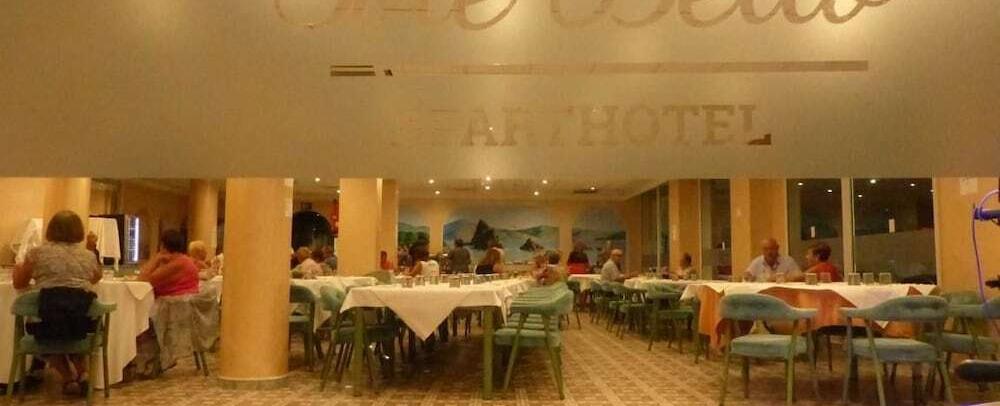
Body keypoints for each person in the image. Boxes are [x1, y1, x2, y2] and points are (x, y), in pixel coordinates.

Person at [12, 210, 102, 397]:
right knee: (71, 322)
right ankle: (83, 373)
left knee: (51, 325)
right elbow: (95, 278)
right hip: (82, 323)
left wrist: (18, 267)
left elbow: (19, 283)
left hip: (47, 322)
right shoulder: (88, 256)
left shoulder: (37, 253)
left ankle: (68, 378)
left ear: (50, 229)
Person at [138, 229, 200, 297]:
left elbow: (142, 280)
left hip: (173, 301)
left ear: (162, 246)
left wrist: (156, 259)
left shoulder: (177, 264)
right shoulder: (183, 260)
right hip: (183, 300)